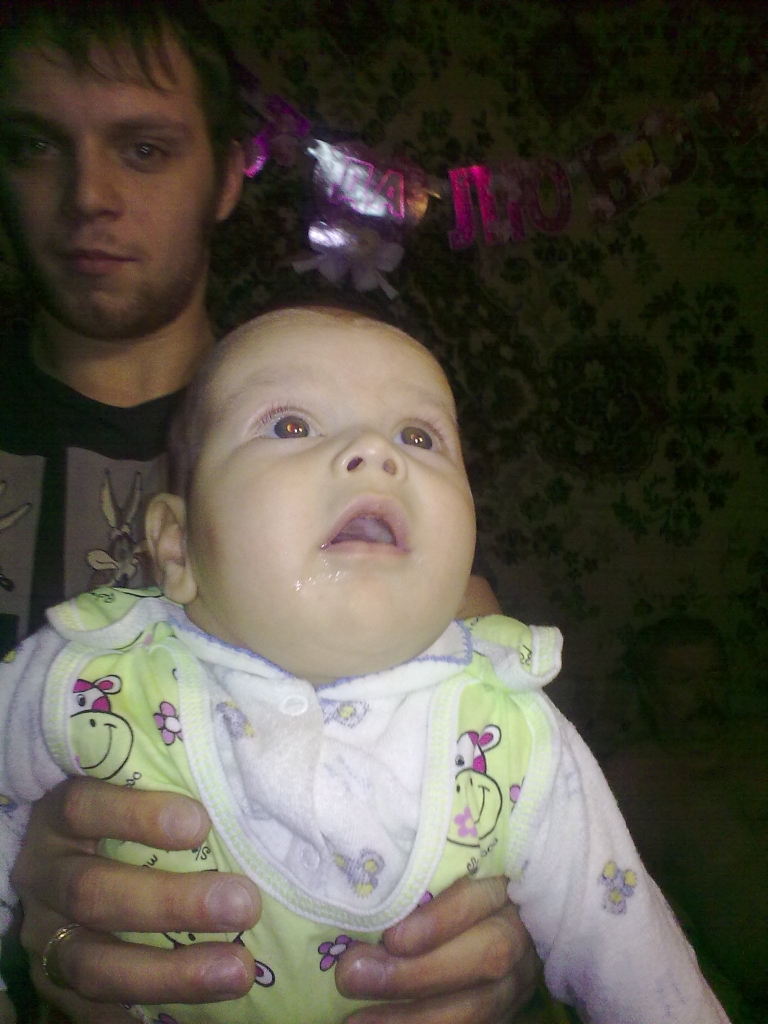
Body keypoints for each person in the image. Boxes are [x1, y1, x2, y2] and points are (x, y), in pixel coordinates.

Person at [0, 2, 538, 1022]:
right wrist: (35, 935)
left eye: (144, 148)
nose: (88, 197)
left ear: (227, 172)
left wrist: (509, 950)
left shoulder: (369, 451)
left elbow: (544, 852)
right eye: (33, 145)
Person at [0, 306, 730, 1024]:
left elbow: (637, 961)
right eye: (291, 425)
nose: (375, 451)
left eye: (418, 435)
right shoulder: (90, 674)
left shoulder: (511, 734)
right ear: (177, 546)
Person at [602, 617, 768, 1014]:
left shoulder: (759, 742)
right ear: (648, 690)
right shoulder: (630, 781)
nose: (706, 695)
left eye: (715, 675)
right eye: (683, 680)